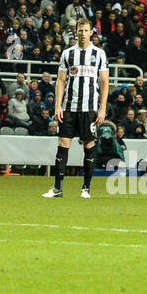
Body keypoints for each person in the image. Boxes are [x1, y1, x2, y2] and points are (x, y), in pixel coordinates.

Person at [44, 16, 108, 199]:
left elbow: (104, 82)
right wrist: (58, 105)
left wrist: (102, 108)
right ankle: (57, 188)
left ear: (91, 32)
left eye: (86, 30)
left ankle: (86, 188)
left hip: (89, 108)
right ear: (76, 32)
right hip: (69, 107)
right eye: (80, 30)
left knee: (89, 145)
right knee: (63, 144)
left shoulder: (99, 54)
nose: (82, 33)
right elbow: (61, 81)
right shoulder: (68, 53)